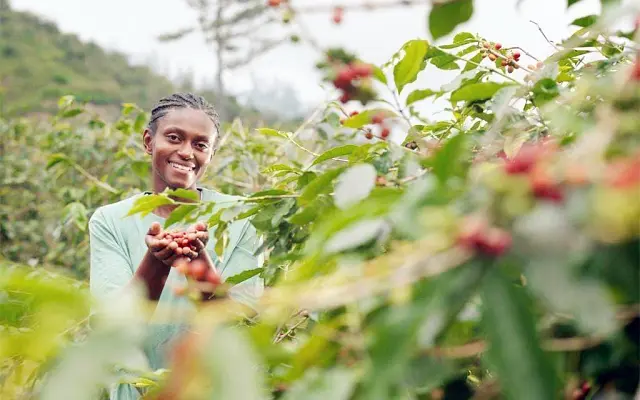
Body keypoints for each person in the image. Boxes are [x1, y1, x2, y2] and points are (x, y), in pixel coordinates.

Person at [88, 93, 264, 399]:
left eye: (200, 144)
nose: (186, 152)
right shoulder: (110, 220)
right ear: (148, 141)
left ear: (211, 153)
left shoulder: (242, 217)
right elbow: (112, 326)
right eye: (174, 138)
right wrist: (156, 261)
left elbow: (242, 324)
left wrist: (198, 263)